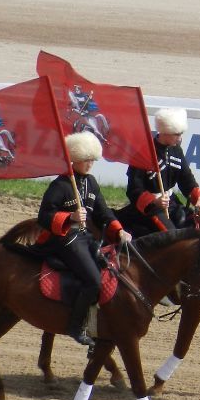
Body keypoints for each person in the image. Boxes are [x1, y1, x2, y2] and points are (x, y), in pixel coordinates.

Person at [35, 131, 131, 346]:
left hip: (85, 237)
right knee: (94, 281)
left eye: (93, 160)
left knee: (112, 272)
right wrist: (70, 216)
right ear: (75, 159)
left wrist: (119, 231)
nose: (90, 165)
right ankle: (75, 326)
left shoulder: (91, 182)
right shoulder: (59, 186)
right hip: (64, 239)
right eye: (87, 160)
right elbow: (44, 217)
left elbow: (104, 213)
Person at [120, 107, 200, 236]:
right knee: (173, 236)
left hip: (171, 202)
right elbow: (134, 189)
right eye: (177, 134)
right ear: (165, 132)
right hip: (151, 208)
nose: (180, 138)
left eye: (181, 134)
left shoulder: (176, 150)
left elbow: (186, 178)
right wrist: (154, 202)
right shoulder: (143, 152)